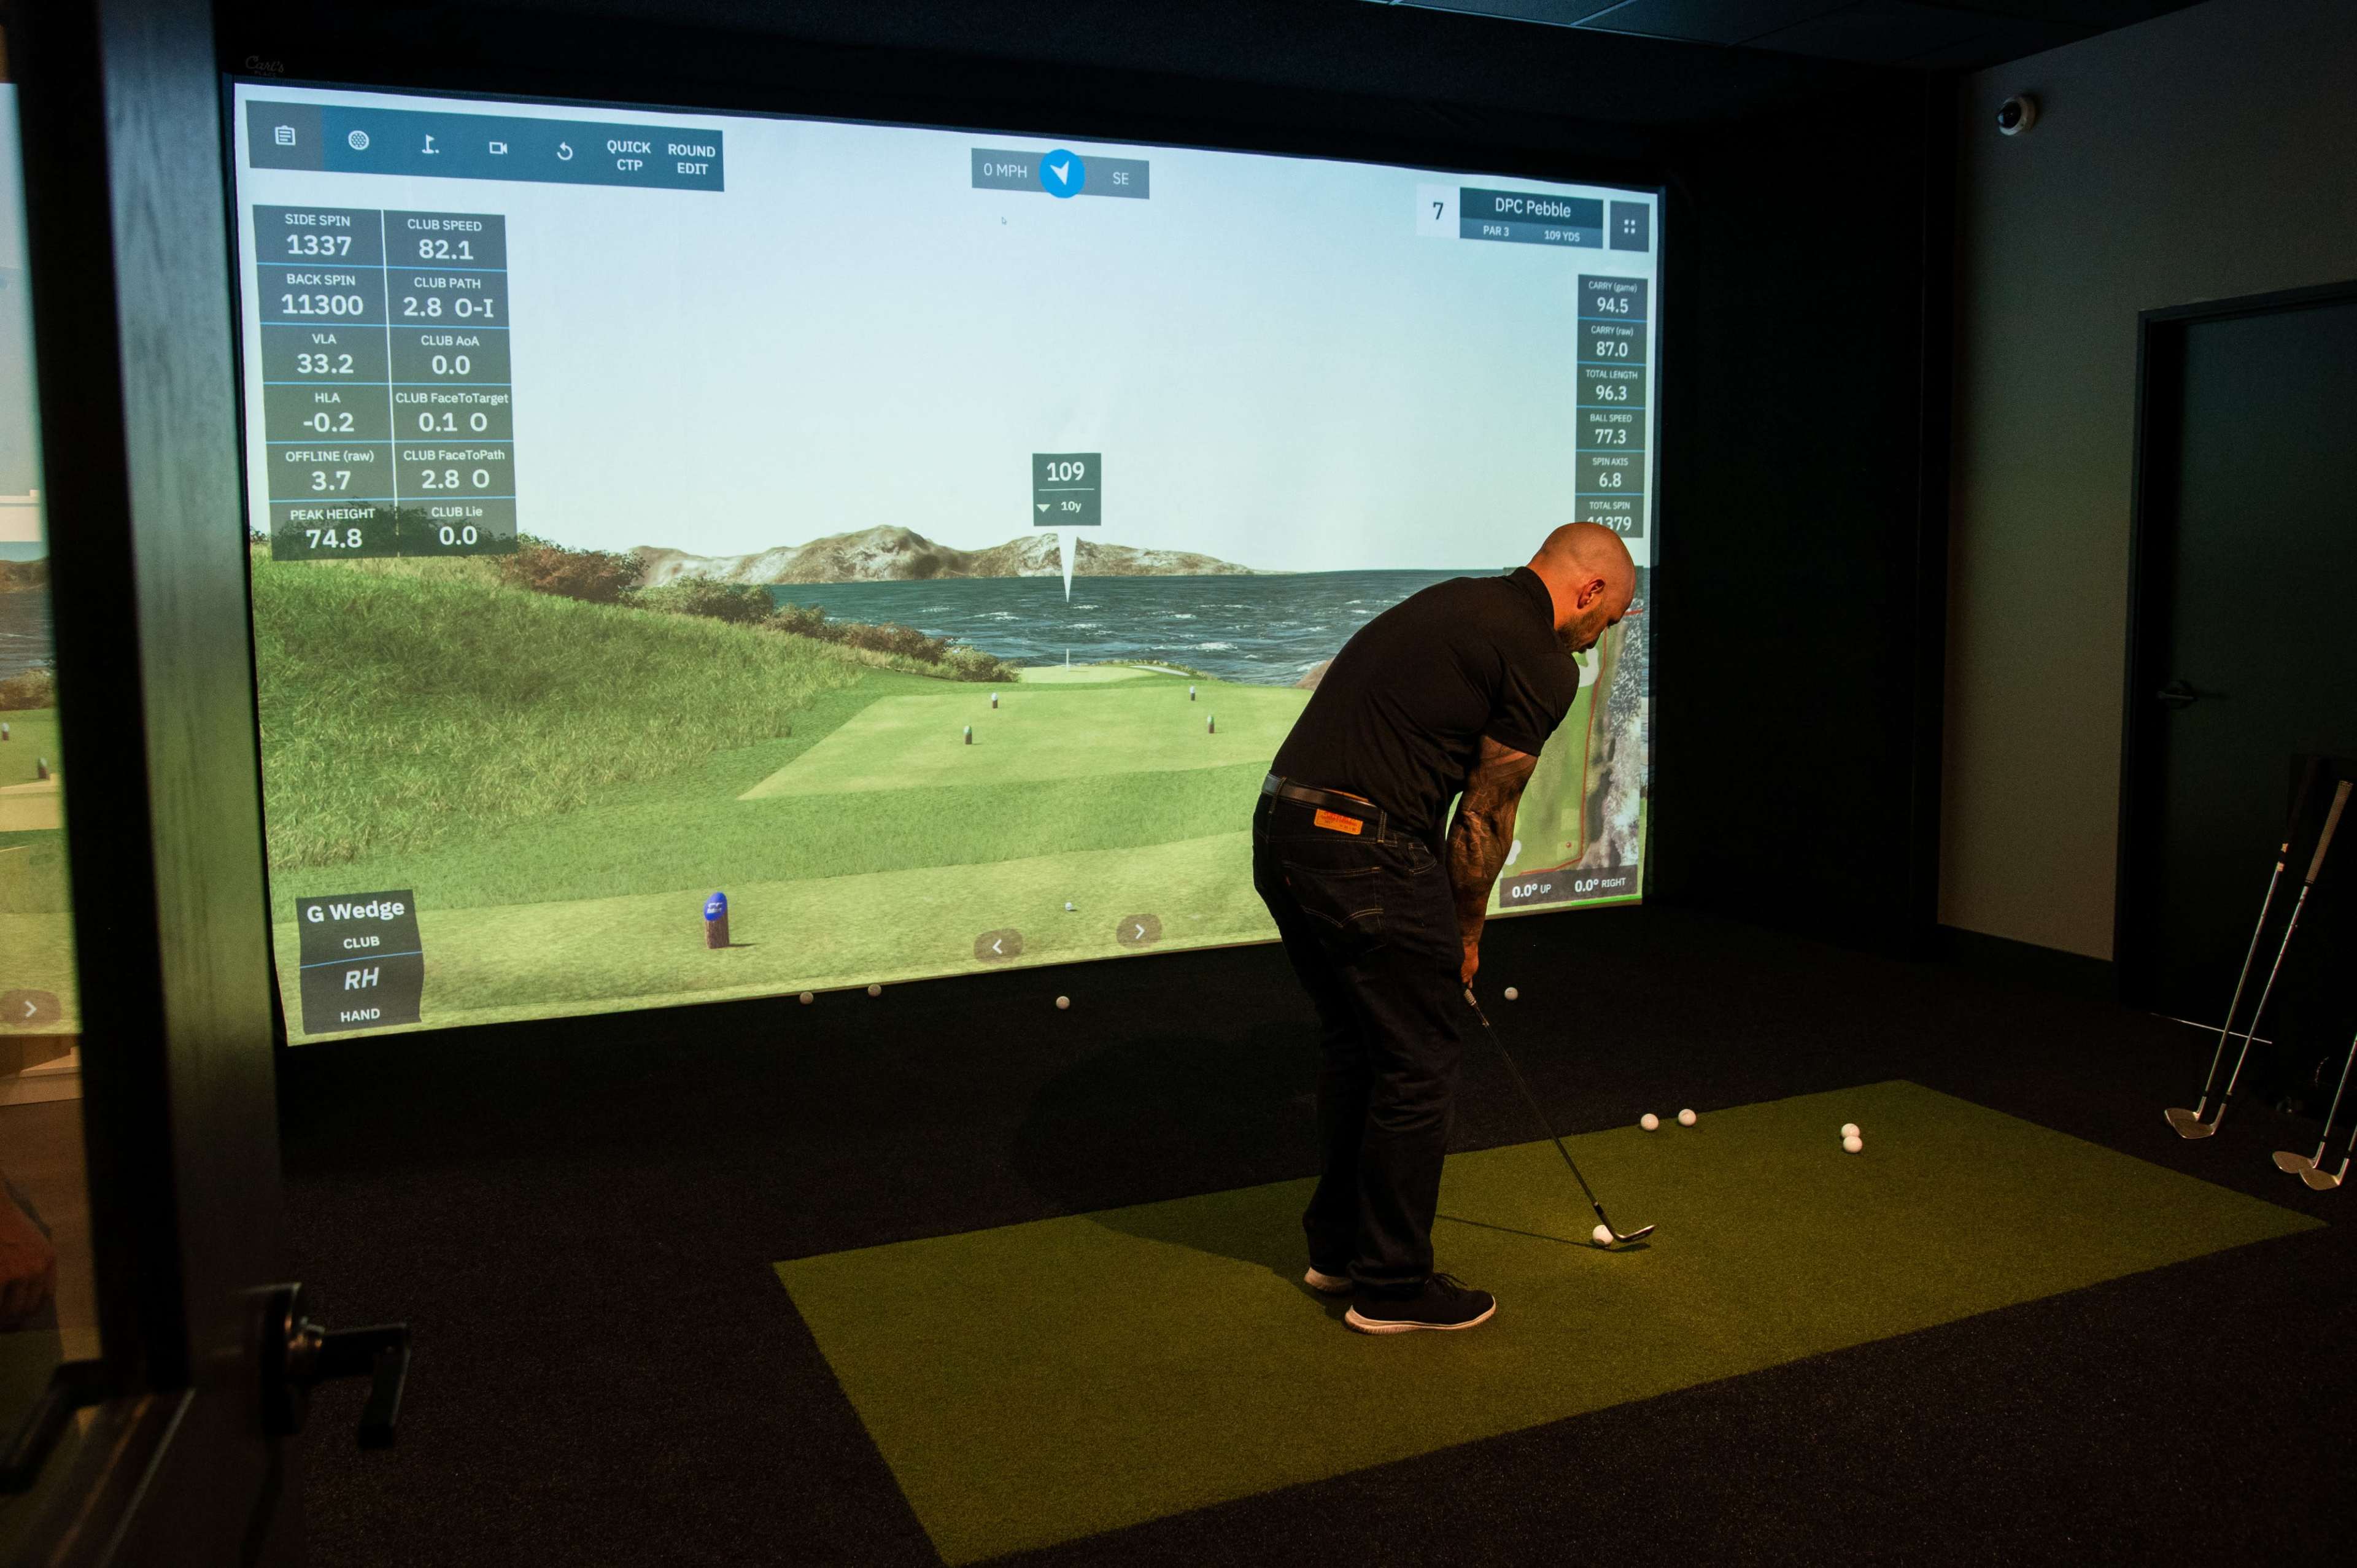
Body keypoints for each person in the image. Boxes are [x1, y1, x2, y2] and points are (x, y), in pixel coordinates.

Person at [1254, 522, 1635, 1334]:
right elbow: (1485, 818)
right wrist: (1464, 935)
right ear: (1590, 590)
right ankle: (1391, 1287)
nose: (1605, 635)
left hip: (1283, 832)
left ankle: (1340, 1251)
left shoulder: (1456, 604)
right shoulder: (1536, 656)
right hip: (1362, 851)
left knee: (1361, 1045)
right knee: (1420, 1060)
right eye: (1611, 618)